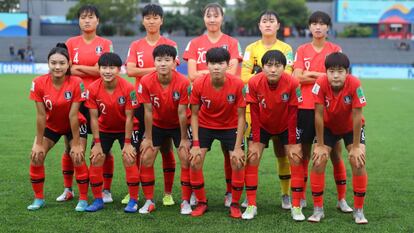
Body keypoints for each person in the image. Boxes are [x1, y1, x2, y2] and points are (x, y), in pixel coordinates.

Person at [183, 2, 243, 207]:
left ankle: (230, 193)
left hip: (228, 110)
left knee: (231, 154)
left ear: (222, 18)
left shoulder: (232, 42)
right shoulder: (194, 43)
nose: (212, 19)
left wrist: (205, 73)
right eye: (208, 16)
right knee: (195, 154)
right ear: (204, 18)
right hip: (204, 107)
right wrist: (214, 73)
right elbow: (191, 75)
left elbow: (233, 74)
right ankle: (195, 195)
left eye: (216, 16)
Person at [293, 11, 352, 212]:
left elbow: (340, 77)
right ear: (309, 27)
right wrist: (324, 75)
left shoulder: (335, 49)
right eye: (314, 24)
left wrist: (310, 75)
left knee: (336, 154)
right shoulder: (301, 50)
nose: (318, 27)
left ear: (328, 28)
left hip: (331, 109)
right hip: (305, 108)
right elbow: (296, 77)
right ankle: (300, 196)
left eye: (322, 24)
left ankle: (342, 199)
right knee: (304, 154)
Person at [125, 3, 179, 206]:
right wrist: (157, 68)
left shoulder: (170, 44)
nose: (151, 21)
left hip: (167, 103)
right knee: (140, 148)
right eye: (148, 17)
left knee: (167, 149)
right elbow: (130, 71)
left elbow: (171, 69)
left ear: (162, 20)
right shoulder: (136, 45)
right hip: (142, 102)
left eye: (156, 17)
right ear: (143, 21)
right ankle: (136, 191)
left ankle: (167, 193)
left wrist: (146, 69)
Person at [241, 10, 294, 210]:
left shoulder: (286, 48)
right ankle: (249, 196)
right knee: (253, 155)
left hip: (281, 110)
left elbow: (286, 74)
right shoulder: (250, 48)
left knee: (283, 154)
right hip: (255, 111)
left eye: (272, 21)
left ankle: (286, 194)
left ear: (278, 25)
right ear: (259, 25)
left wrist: (257, 73)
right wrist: (264, 76)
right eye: (265, 21)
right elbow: (243, 76)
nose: (268, 24)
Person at [27, 43, 89, 211]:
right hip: (52, 125)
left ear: (69, 64)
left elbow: (73, 115)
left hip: (73, 124)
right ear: (48, 63)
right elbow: (40, 115)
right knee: (36, 156)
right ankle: (38, 199)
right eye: (53, 62)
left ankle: (83, 199)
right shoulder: (38, 83)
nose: (57, 66)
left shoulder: (77, 82)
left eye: (62, 63)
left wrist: (76, 143)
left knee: (77, 156)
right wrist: (39, 142)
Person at [62, 4, 114, 204]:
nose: (86, 20)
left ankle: (106, 190)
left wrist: (78, 68)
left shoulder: (105, 43)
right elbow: (66, 69)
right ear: (78, 21)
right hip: (76, 99)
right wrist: (91, 68)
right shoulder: (70, 42)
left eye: (90, 17)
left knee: (104, 149)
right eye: (83, 17)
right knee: (72, 146)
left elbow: (103, 70)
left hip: (101, 100)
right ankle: (69, 188)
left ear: (97, 21)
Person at [308, 52, 368, 224]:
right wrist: (319, 144)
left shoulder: (355, 83)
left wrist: (356, 146)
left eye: (340, 71)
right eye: (332, 71)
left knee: (358, 161)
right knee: (318, 160)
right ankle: (318, 210)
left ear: (346, 72)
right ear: (325, 72)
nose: (335, 75)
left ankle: (358, 211)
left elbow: (357, 116)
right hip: (328, 127)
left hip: (351, 128)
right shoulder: (320, 84)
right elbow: (318, 115)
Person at [243, 50, 301, 220]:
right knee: (252, 156)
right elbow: (253, 112)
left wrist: (292, 143)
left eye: (277, 65)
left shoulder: (293, 83)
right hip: (262, 125)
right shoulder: (254, 82)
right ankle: (251, 204)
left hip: (285, 126)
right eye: (269, 65)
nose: (273, 69)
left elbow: (293, 115)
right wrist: (254, 140)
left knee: (295, 157)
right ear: (262, 66)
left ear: (284, 67)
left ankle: (296, 206)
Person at [189, 47, 246, 218]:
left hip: (230, 126)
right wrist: (196, 144)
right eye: (212, 63)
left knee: (237, 161)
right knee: (195, 160)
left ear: (228, 65)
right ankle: (201, 202)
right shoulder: (199, 83)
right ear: (207, 65)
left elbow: (242, 117)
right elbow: (193, 114)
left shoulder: (237, 84)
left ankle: (235, 204)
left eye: (220, 63)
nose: (216, 67)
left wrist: (237, 147)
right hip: (206, 125)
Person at [137, 45, 191, 215]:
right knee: (146, 157)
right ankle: (149, 201)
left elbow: (182, 113)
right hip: (157, 124)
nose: (163, 64)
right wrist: (147, 136)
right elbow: (147, 111)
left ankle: (185, 201)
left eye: (167, 60)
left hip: (178, 125)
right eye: (159, 60)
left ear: (174, 62)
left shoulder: (183, 81)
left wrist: (183, 139)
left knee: (185, 157)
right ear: (154, 61)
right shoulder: (146, 81)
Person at [84, 52, 140, 213]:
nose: (108, 71)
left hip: (126, 129)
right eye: (104, 68)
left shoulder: (129, 88)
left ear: (119, 69)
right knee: (96, 158)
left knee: (129, 158)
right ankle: (98, 199)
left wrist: (128, 143)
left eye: (112, 68)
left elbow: (130, 118)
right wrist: (97, 143)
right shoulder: (93, 88)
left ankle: (133, 200)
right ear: (99, 69)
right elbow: (93, 118)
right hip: (104, 129)